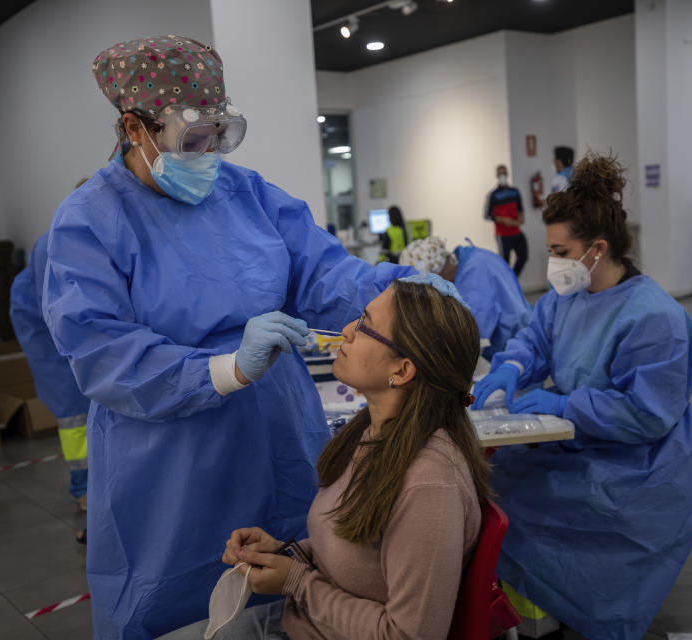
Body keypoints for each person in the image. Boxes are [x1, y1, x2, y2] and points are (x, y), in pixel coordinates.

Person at [41, 35, 413, 639]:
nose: (210, 153)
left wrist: (400, 288)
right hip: (169, 466)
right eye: (194, 138)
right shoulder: (89, 221)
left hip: (280, 434)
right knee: (186, 611)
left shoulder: (248, 194)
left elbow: (324, 273)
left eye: (221, 134)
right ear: (135, 128)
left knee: (297, 588)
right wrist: (225, 369)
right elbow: (100, 351)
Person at [472, 153, 692, 640]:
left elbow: (646, 415)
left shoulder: (653, 317)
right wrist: (513, 367)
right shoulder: (569, 295)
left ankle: (567, 610)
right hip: (588, 439)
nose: (553, 263)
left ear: (597, 249)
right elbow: (536, 339)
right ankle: (532, 605)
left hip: (642, 464)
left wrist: (564, 406)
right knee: (491, 480)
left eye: (560, 250)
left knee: (515, 500)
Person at [214, 275, 492, 640]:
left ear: (402, 370)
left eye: (364, 324)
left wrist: (297, 581)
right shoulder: (372, 433)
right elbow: (364, 559)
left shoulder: (429, 485)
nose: (346, 331)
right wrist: (288, 554)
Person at [9, 228, 90, 545]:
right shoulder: (52, 244)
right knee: (74, 412)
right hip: (49, 336)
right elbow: (56, 308)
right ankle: (83, 488)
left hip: (71, 330)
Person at [400, 236, 532, 360]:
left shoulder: (474, 274)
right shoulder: (466, 258)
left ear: (440, 271)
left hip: (516, 353)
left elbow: (472, 334)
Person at [485, 164, 528, 277]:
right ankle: (507, 284)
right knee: (504, 263)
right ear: (497, 176)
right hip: (503, 235)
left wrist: (521, 217)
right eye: (500, 174)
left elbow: (520, 209)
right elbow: (487, 215)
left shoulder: (515, 192)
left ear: (507, 174)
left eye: (504, 173)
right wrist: (503, 220)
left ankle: (512, 279)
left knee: (523, 256)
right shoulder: (493, 195)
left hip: (516, 232)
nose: (502, 176)